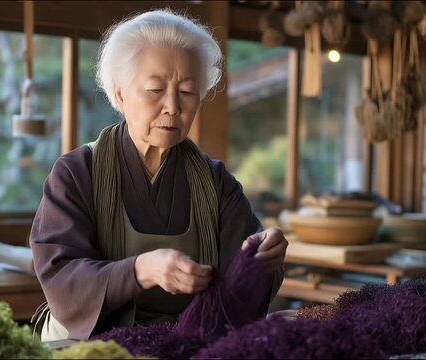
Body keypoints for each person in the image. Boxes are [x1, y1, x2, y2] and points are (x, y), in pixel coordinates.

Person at [30, 9, 287, 342]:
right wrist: (141, 270)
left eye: (187, 91)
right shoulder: (78, 172)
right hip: (85, 343)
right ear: (120, 94)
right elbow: (61, 276)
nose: (172, 106)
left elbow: (239, 293)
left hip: (184, 342)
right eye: (155, 89)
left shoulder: (216, 183)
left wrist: (262, 259)